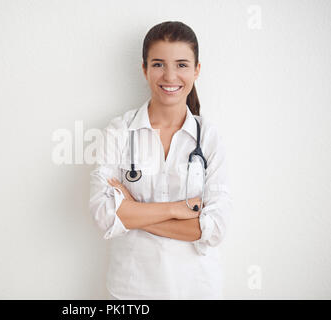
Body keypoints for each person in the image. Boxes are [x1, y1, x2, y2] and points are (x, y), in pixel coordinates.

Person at [89, 21, 232, 300]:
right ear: (144, 69)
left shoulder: (210, 137)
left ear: (196, 70)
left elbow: (213, 229)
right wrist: (178, 209)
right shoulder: (119, 131)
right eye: (158, 64)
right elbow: (104, 214)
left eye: (181, 64)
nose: (170, 75)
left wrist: (131, 212)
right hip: (132, 291)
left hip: (197, 289)